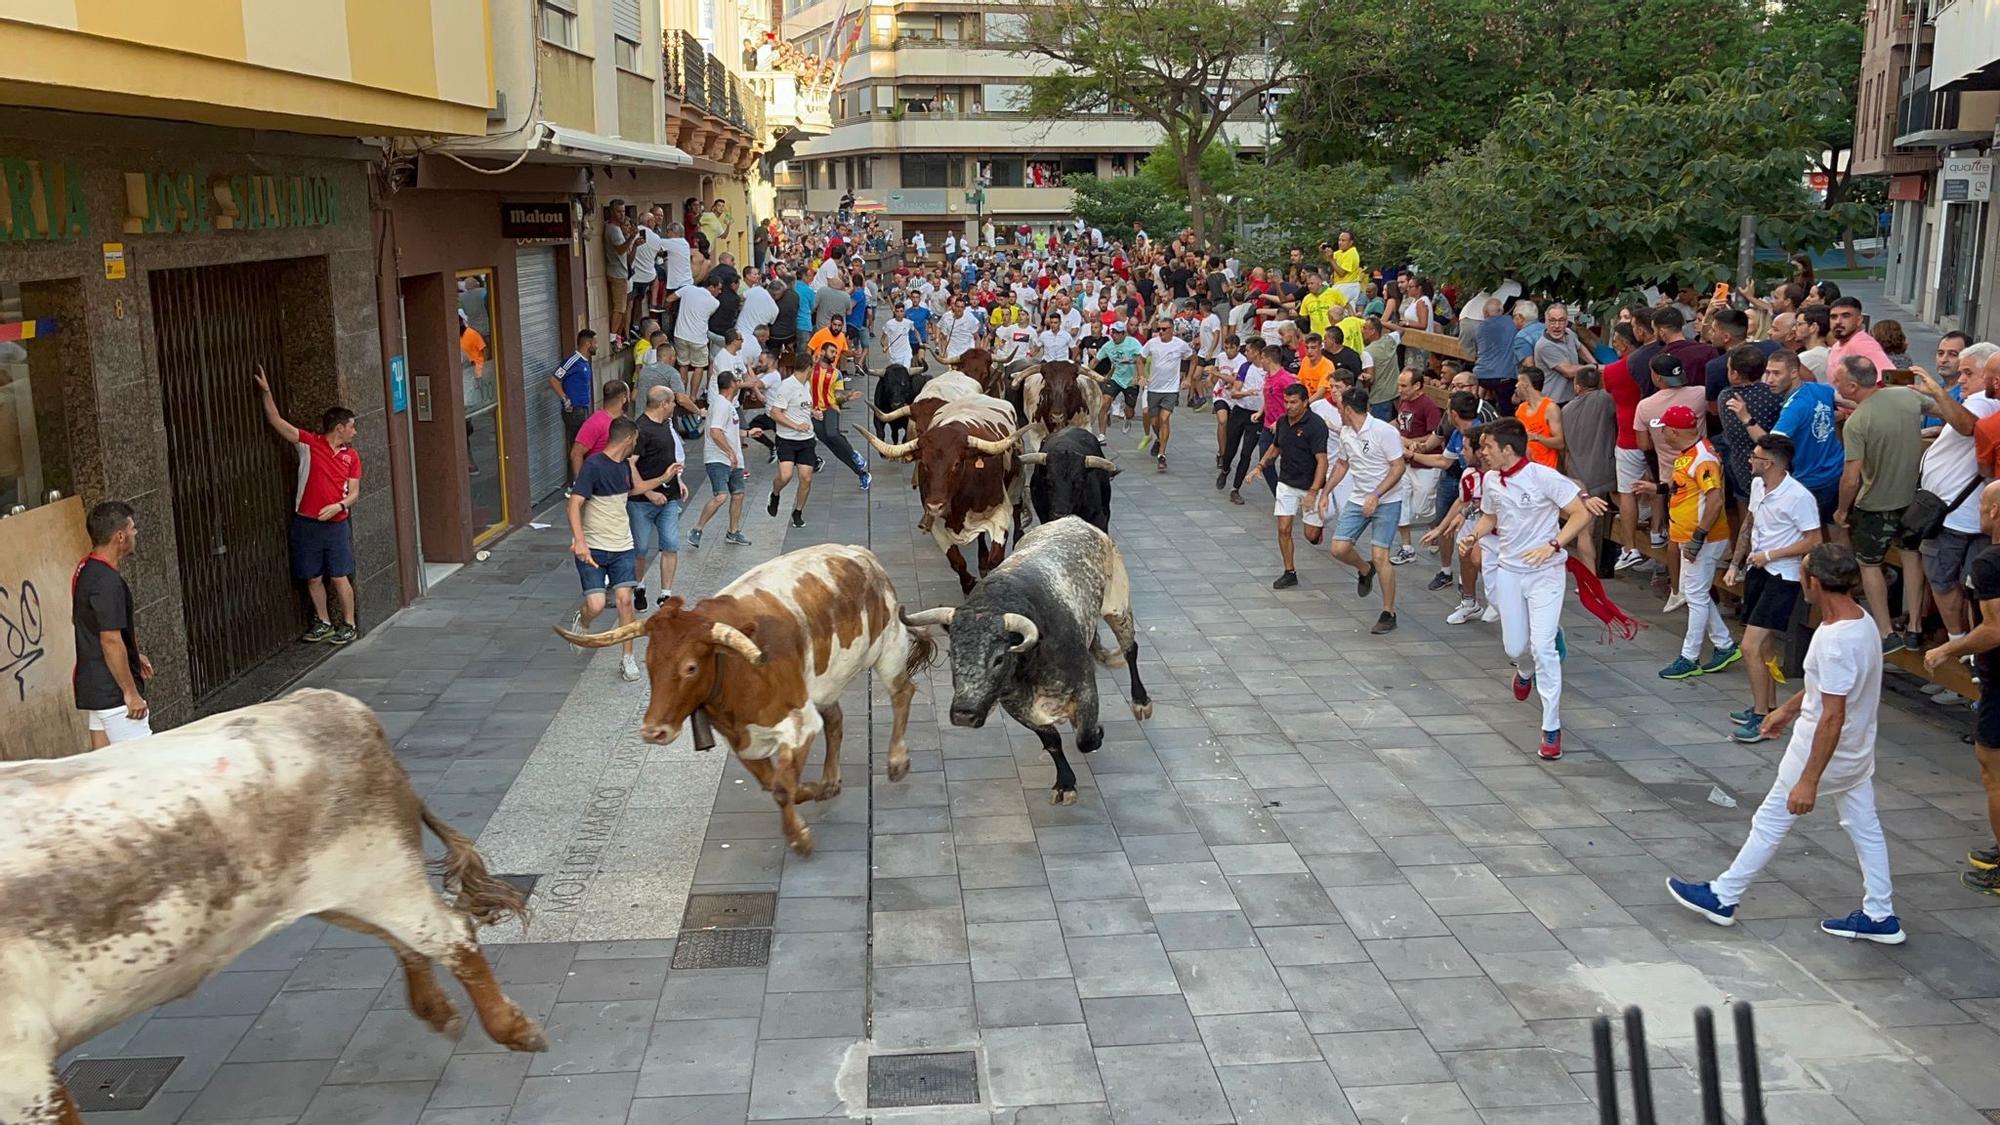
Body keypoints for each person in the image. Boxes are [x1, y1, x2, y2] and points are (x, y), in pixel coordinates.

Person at [1668, 544, 1904, 945]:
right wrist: (1788, 710)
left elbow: (1832, 715)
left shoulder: (1834, 641)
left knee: (1771, 821)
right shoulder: (1860, 622)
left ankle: (1724, 896)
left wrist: (1809, 780)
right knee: (1865, 827)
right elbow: (1829, 691)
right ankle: (1881, 915)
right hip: (1855, 752)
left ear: (1814, 583)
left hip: (1823, 751)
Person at [1462, 418, 1595, 760]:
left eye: (1487, 446)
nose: (1482, 452)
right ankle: (1523, 671)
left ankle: (1551, 727)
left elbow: (1580, 514)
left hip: (1546, 572)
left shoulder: (1543, 477)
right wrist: (1473, 535)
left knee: (1543, 647)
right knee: (1516, 647)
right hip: (1509, 571)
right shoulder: (1491, 480)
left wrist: (1554, 544)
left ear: (1507, 449)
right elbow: (1490, 516)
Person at [1925, 481, 2000, 893]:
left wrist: (1949, 650)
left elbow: (1994, 629)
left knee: (1992, 770)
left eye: (1985, 504)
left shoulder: (1990, 564)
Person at [1724, 434, 1823, 741]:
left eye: (1754, 456)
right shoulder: (1758, 486)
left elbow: (1814, 539)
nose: (1749, 460)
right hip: (1758, 571)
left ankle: (1760, 719)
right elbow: (1749, 525)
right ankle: (1766, 706)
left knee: (1750, 646)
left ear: (1768, 463)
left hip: (1783, 576)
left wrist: (1771, 555)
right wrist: (1735, 564)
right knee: (1764, 646)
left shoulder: (1798, 496)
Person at [254, 364, 361, 645]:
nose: (354, 432)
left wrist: (338, 507)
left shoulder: (352, 456)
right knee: (312, 577)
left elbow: (354, 494)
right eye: (352, 426)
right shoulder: (309, 444)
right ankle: (323, 621)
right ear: (339, 427)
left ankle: (349, 623)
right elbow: (277, 422)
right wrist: (266, 392)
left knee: (339, 576)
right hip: (306, 523)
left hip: (336, 525)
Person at [1638, 405, 1739, 680]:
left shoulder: (1703, 458)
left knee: (1694, 595)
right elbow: (1684, 490)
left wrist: (1697, 538)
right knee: (1698, 593)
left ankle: (1689, 657)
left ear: (1673, 431)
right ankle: (1725, 645)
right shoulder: (1689, 455)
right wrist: (1656, 489)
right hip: (1691, 537)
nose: (1663, 435)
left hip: (1702, 539)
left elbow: (1715, 499)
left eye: (1664, 430)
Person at [1831, 355, 1925, 649]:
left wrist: (1842, 510)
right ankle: (1914, 626)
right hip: (1911, 496)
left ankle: (1885, 632)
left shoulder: (1857, 423)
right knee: (1911, 557)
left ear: (1852, 385)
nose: (1834, 384)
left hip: (1876, 504)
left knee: (1869, 564)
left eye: (1838, 381)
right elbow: (1937, 408)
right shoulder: (1906, 397)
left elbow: (1851, 478)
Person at [566, 416, 652, 683]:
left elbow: (635, 489)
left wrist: (665, 477)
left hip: (622, 547)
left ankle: (627, 659)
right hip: (593, 548)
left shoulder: (625, 466)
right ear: (628, 439)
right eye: (635, 440)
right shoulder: (593, 466)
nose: (635, 445)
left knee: (625, 601)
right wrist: (579, 541)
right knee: (597, 605)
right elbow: (573, 505)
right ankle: (583, 619)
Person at [1321, 386, 1407, 634]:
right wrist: (1325, 492)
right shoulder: (1346, 433)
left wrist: (1377, 494)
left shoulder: (1383, 431)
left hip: (1387, 500)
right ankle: (1364, 569)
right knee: (1338, 548)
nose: (1338, 412)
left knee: (1381, 555)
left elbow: (1398, 467)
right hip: (1359, 498)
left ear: (1348, 409)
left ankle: (1388, 612)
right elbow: (1342, 464)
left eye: (1339, 408)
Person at [73, 500, 152, 746]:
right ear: (120, 536)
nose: (135, 533)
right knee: (143, 769)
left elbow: (94, 626)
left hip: (96, 688)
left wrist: (132, 654)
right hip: (115, 696)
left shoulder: (86, 568)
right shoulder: (107, 583)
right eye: (132, 528)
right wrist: (131, 694)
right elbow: (109, 639)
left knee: (103, 769)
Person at [1247, 382, 1328, 589]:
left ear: (1305, 403)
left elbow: (1322, 461)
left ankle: (1318, 530)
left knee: (1310, 536)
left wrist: (1313, 492)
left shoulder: (1316, 425)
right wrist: (1259, 466)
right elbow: (1275, 448)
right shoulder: (1282, 422)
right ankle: (1289, 571)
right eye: (1286, 402)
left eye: (1293, 402)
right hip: (1286, 482)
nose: (1288, 406)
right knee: (1284, 528)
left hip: (1310, 485)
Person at [629, 385, 689, 614]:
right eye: (672, 402)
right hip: (642, 502)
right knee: (640, 548)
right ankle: (640, 586)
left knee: (671, 544)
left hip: (670, 496)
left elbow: (670, 458)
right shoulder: (641, 429)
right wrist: (648, 492)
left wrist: (679, 480)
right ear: (664, 404)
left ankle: (666, 594)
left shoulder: (666, 425)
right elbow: (630, 463)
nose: (675, 406)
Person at [690, 370, 757, 549]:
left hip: (733, 458)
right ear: (731, 385)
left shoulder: (728, 406)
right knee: (721, 496)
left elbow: (730, 431)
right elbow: (715, 432)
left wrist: (748, 433)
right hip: (719, 458)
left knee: (738, 494)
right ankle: (697, 529)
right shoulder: (720, 404)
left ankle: (733, 532)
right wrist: (730, 453)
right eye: (736, 382)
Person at [1560, 365, 1617, 571]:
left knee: (1585, 528)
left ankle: (1589, 574)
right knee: (1590, 528)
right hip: (1605, 470)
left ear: (1577, 387)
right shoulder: (1606, 400)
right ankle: (1592, 575)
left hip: (1578, 473)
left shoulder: (1565, 410)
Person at [765, 351, 818, 528]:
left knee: (806, 478)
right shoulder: (786, 386)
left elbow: (802, 406)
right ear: (808, 368)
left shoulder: (806, 385)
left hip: (806, 439)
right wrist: (795, 426)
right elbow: (775, 412)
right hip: (787, 439)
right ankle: (775, 493)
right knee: (786, 476)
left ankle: (798, 511)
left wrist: (813, 413)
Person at [809, 338, 871, 490]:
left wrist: (848, 397)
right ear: (822, 352)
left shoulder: (836, 374)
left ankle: (853, 453)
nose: (834, 355)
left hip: (831, 408)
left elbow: (838, 395)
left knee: (832, 434)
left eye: (836, 353)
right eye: (832, 352)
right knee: (834, 447)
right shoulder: (811, 370)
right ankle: (861, 473)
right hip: (814, 411)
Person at [1139, 319, 1193, 471]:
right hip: (1153, 388)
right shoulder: (1152, 343)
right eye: (1159, 329)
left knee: (1165, 418)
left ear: (1172, 329)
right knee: (1155, 422)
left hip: (1171, 389)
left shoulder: (1180, 344)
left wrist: (1188, 378)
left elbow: (1193, 359)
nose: (1161, 332)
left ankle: (1162, 455)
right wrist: (1141, 376)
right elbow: (1140, 359)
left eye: (1164, 329)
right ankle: (1159, 439)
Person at [547, 329, 598, 463]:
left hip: (583, 409)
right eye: (595, 342)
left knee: (584, 445)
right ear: (588, 344)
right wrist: (565, 398)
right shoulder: (572, 361)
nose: (597, 346)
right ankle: (576, 479)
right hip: (574, 411)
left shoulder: (585, 362)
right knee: (578, 447)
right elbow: (554, 379)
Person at [571, 379, 632, 482]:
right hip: (600, 485)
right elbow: (576, 454)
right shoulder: (595, 423)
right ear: (624, 398)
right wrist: (581, 486)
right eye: (628, 396)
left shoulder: (624, 421)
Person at [674, 273, 723, 397]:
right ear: (711, 287)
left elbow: (670, 298)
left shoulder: (688, 289)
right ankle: (693, 397)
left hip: (680, 334)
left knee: (683, 366)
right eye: (719, 288)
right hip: (698, 338)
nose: (720, 291)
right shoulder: (715, 303)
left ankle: (682, 395)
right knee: (699, 367)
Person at [1095, 322, 1144, 438]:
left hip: (1131, 380)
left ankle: (1128, 418)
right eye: (1113, 332)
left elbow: (1141, 360)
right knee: (1105, 402)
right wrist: (1086, 371)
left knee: (1129, 410)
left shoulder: (1133, 343)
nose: (1114, 335)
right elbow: (1096, 360)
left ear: (1124, 334)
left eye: (1117, 333)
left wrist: (1139, 375)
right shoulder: (1108, 346)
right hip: (1115, 378)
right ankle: (1102, 434)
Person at [1514, 364, 1564, 470]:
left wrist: (1536, 437)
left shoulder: (1550, 408)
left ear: (1526, 384)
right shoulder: (1520, 410)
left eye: (1518, 381)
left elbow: (1560, 443)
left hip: (1548, 469)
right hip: (1527, 468)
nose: (1516, 386)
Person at [1533, 303, 1585, 405]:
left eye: (1561, 321)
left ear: (1566, 322)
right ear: (1546, 321)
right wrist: (1594, 367)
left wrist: (1594, 362)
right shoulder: (1544, 345)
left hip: (1572, 398)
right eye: (1552, 321)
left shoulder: (1569, 333)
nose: (1556, 326)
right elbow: (1569, 371)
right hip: (1553, 401)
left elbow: (1580, 348)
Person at [603, 200, 631, 343]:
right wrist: (631, 238)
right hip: (617, 274)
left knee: (622, 307)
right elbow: (620, 250)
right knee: (619, 308)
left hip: (620, 272)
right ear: (612, 212)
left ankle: (617, 336)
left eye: (624, 211)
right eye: (619, 211)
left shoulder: (616, 228)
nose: (622, 215)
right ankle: (613, 338)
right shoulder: (613, 229)